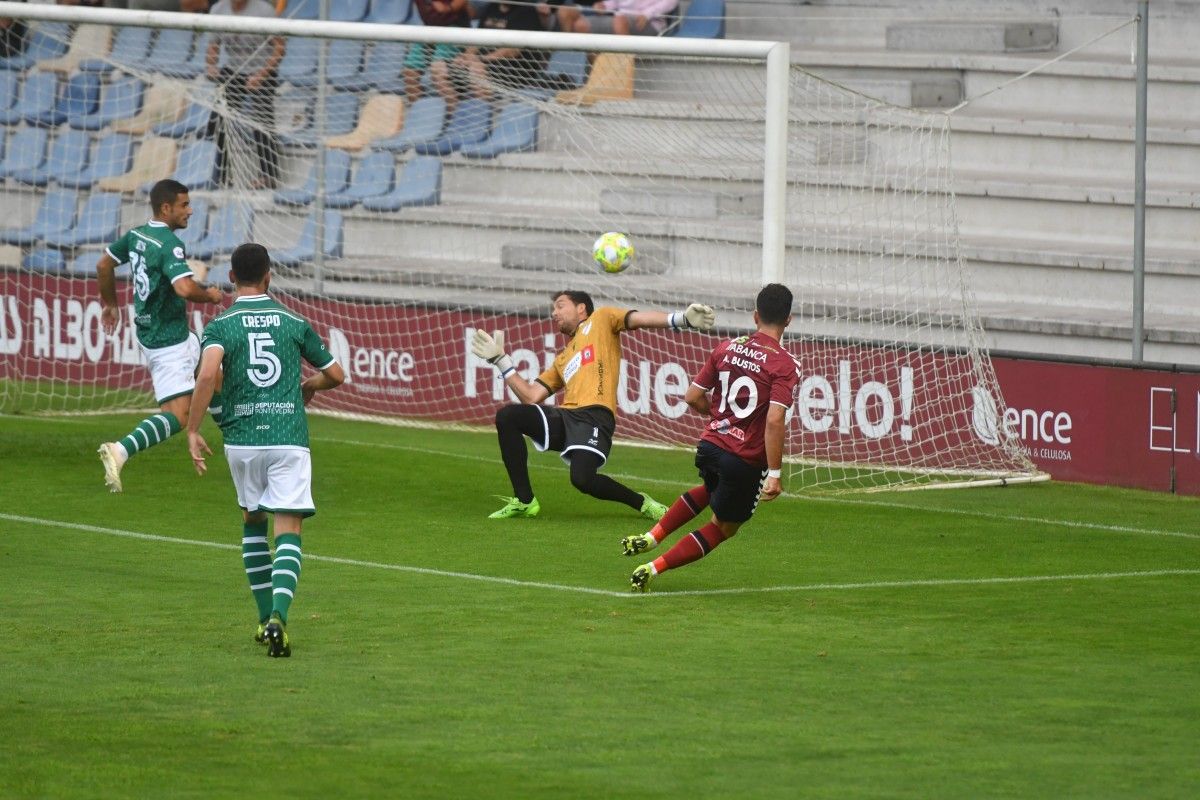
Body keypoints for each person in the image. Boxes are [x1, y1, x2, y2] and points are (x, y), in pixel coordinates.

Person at [187, 242, 345, 658]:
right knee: (288, 528)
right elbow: (336, 374)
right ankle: (279, 616)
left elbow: (206, 375)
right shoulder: (293, 321)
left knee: (253, 521)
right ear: (270, 276)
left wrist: (192, 429)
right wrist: (311, 384)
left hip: (242, 441)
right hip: (288, 437)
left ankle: (262, 619)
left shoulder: (221, 325)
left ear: (232, 279)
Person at [471, 290, 716, 520]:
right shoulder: (563, 358)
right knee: (508, 416)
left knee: (583, 480)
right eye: (552, 309)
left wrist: (681, 319)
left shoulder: (601, 319)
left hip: (594, 417)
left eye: (560, 306)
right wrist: (501, 361)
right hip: (565, 417)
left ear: (581, 308)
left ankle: (641, 502)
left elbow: (639, 319)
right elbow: (531, 396)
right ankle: (524, 500)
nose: (554, 313)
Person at [623, 283, 800, 592]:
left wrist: (722, 420)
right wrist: (774, 473)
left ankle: (653, 537)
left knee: (710, 487)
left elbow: (692, 396)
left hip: (709, 445)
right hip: (743, 459)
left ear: (755, 316)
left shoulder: (727, 347)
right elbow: (774, 419)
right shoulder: (785, 364)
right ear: (788, 320)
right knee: (724, 528)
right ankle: (653, 568)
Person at [96, 179, 225, 493]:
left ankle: (242, 444)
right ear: (166, 207)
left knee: (217, 375)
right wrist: (208, 295)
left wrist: (111, 305)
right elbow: (183, 288)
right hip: (168, 343)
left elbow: (103, 264)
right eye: (184, 205)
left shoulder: (138, 234)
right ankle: (120, 450)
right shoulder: (169, 243)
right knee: (178, 417)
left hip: (163, 331)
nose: (190, 210)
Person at [206, 0, 284, 189]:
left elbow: (279, 48)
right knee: (219, 121)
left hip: (262, 70)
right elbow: (213, 45)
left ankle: (268, 175)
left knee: (262, 121)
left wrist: (261, 74)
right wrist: (211, 65)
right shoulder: (218, 10)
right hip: (234, 69)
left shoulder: (264, 11)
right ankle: (224, 174)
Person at [403, 0, 470, 114]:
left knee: (438, 70)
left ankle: (455, 118)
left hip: (453, 30)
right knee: (409, 73)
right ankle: (420, 116)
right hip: (429, 30)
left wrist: (449, 8)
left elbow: (464, 5)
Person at [567, 0, 677, 36]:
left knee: (619, 20)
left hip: (651, 22)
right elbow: (614, 3)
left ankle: (624, 74)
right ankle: (596, 75)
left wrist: (647, 14)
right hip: (619, 19)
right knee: (580, 25)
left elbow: (672, 2)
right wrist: (603, 6)